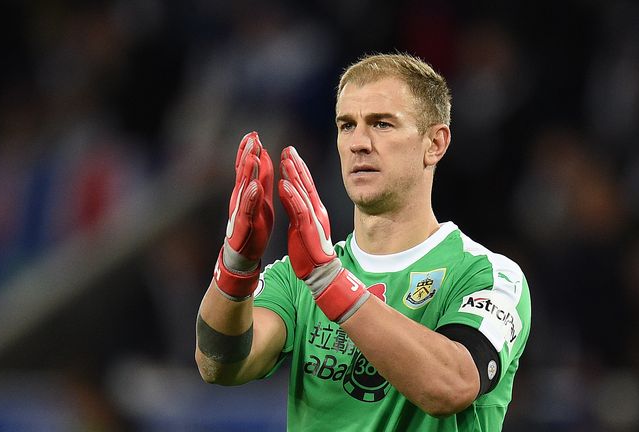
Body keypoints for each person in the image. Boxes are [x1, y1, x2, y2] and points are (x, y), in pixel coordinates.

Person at [195, 53, 531, 431]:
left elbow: (451, 385)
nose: (359, 143)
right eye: (347, 125)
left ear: (435, 143)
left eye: (382, 124)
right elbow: (219, 365)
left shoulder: (488, 275)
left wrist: (330, 283)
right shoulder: (296, 277)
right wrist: (235, 269)